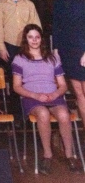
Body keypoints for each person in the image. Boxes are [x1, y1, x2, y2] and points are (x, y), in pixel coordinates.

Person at [13, 24, 79, 174]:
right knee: (43, 114)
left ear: (41, 39)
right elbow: (17, 86)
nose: (34, 40)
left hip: (52, 95)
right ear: (26, 39)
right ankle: (47, 155)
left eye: (37, 37)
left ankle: (70, 155)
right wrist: (36, 95)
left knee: (63, 114)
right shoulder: (20, 58)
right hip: (32, 97)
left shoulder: (52, 57)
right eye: (30, 37)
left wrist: (55, 94)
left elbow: (62, 85)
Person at [52, 0, 85, 129]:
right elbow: (56, 28)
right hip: (67, 51)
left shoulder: (81, 3)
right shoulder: (58, 4)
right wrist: (56, 49)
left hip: (82, 50)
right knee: (79, 95)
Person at [0, 0, 41, 65]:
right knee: (13, 72)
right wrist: (1, 47)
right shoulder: (0, 4)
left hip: (27, 43)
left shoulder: (29, 4)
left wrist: (36, 45)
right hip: (9, 44)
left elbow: (36, 25)